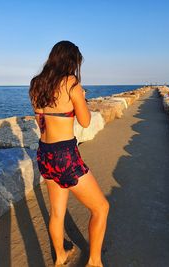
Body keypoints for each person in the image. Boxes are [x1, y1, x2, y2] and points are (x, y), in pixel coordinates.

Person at [29, 40, 109, 267]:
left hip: (44, 153)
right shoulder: (72, 83)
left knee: (57, 212)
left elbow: (41, 123)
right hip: (65, 155)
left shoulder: (36, 84)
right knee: (101, 207)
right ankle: (94, 262)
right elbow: (85, 122)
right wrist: (81, 99)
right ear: (71, 61)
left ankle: (61, 256)